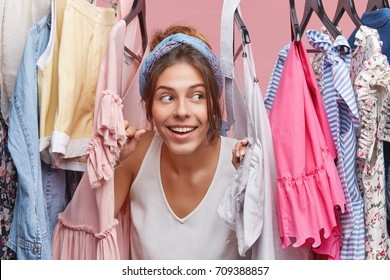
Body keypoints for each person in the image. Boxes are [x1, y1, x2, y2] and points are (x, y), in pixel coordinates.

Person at [114, 24, 249, 260]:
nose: (181, 111)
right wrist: (107, 161)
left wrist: (250, 187)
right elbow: (87, 233)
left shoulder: (244, 163)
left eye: (197, 96)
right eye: (167, 97)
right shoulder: (135, 154)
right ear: (149, 106)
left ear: (213, 102)